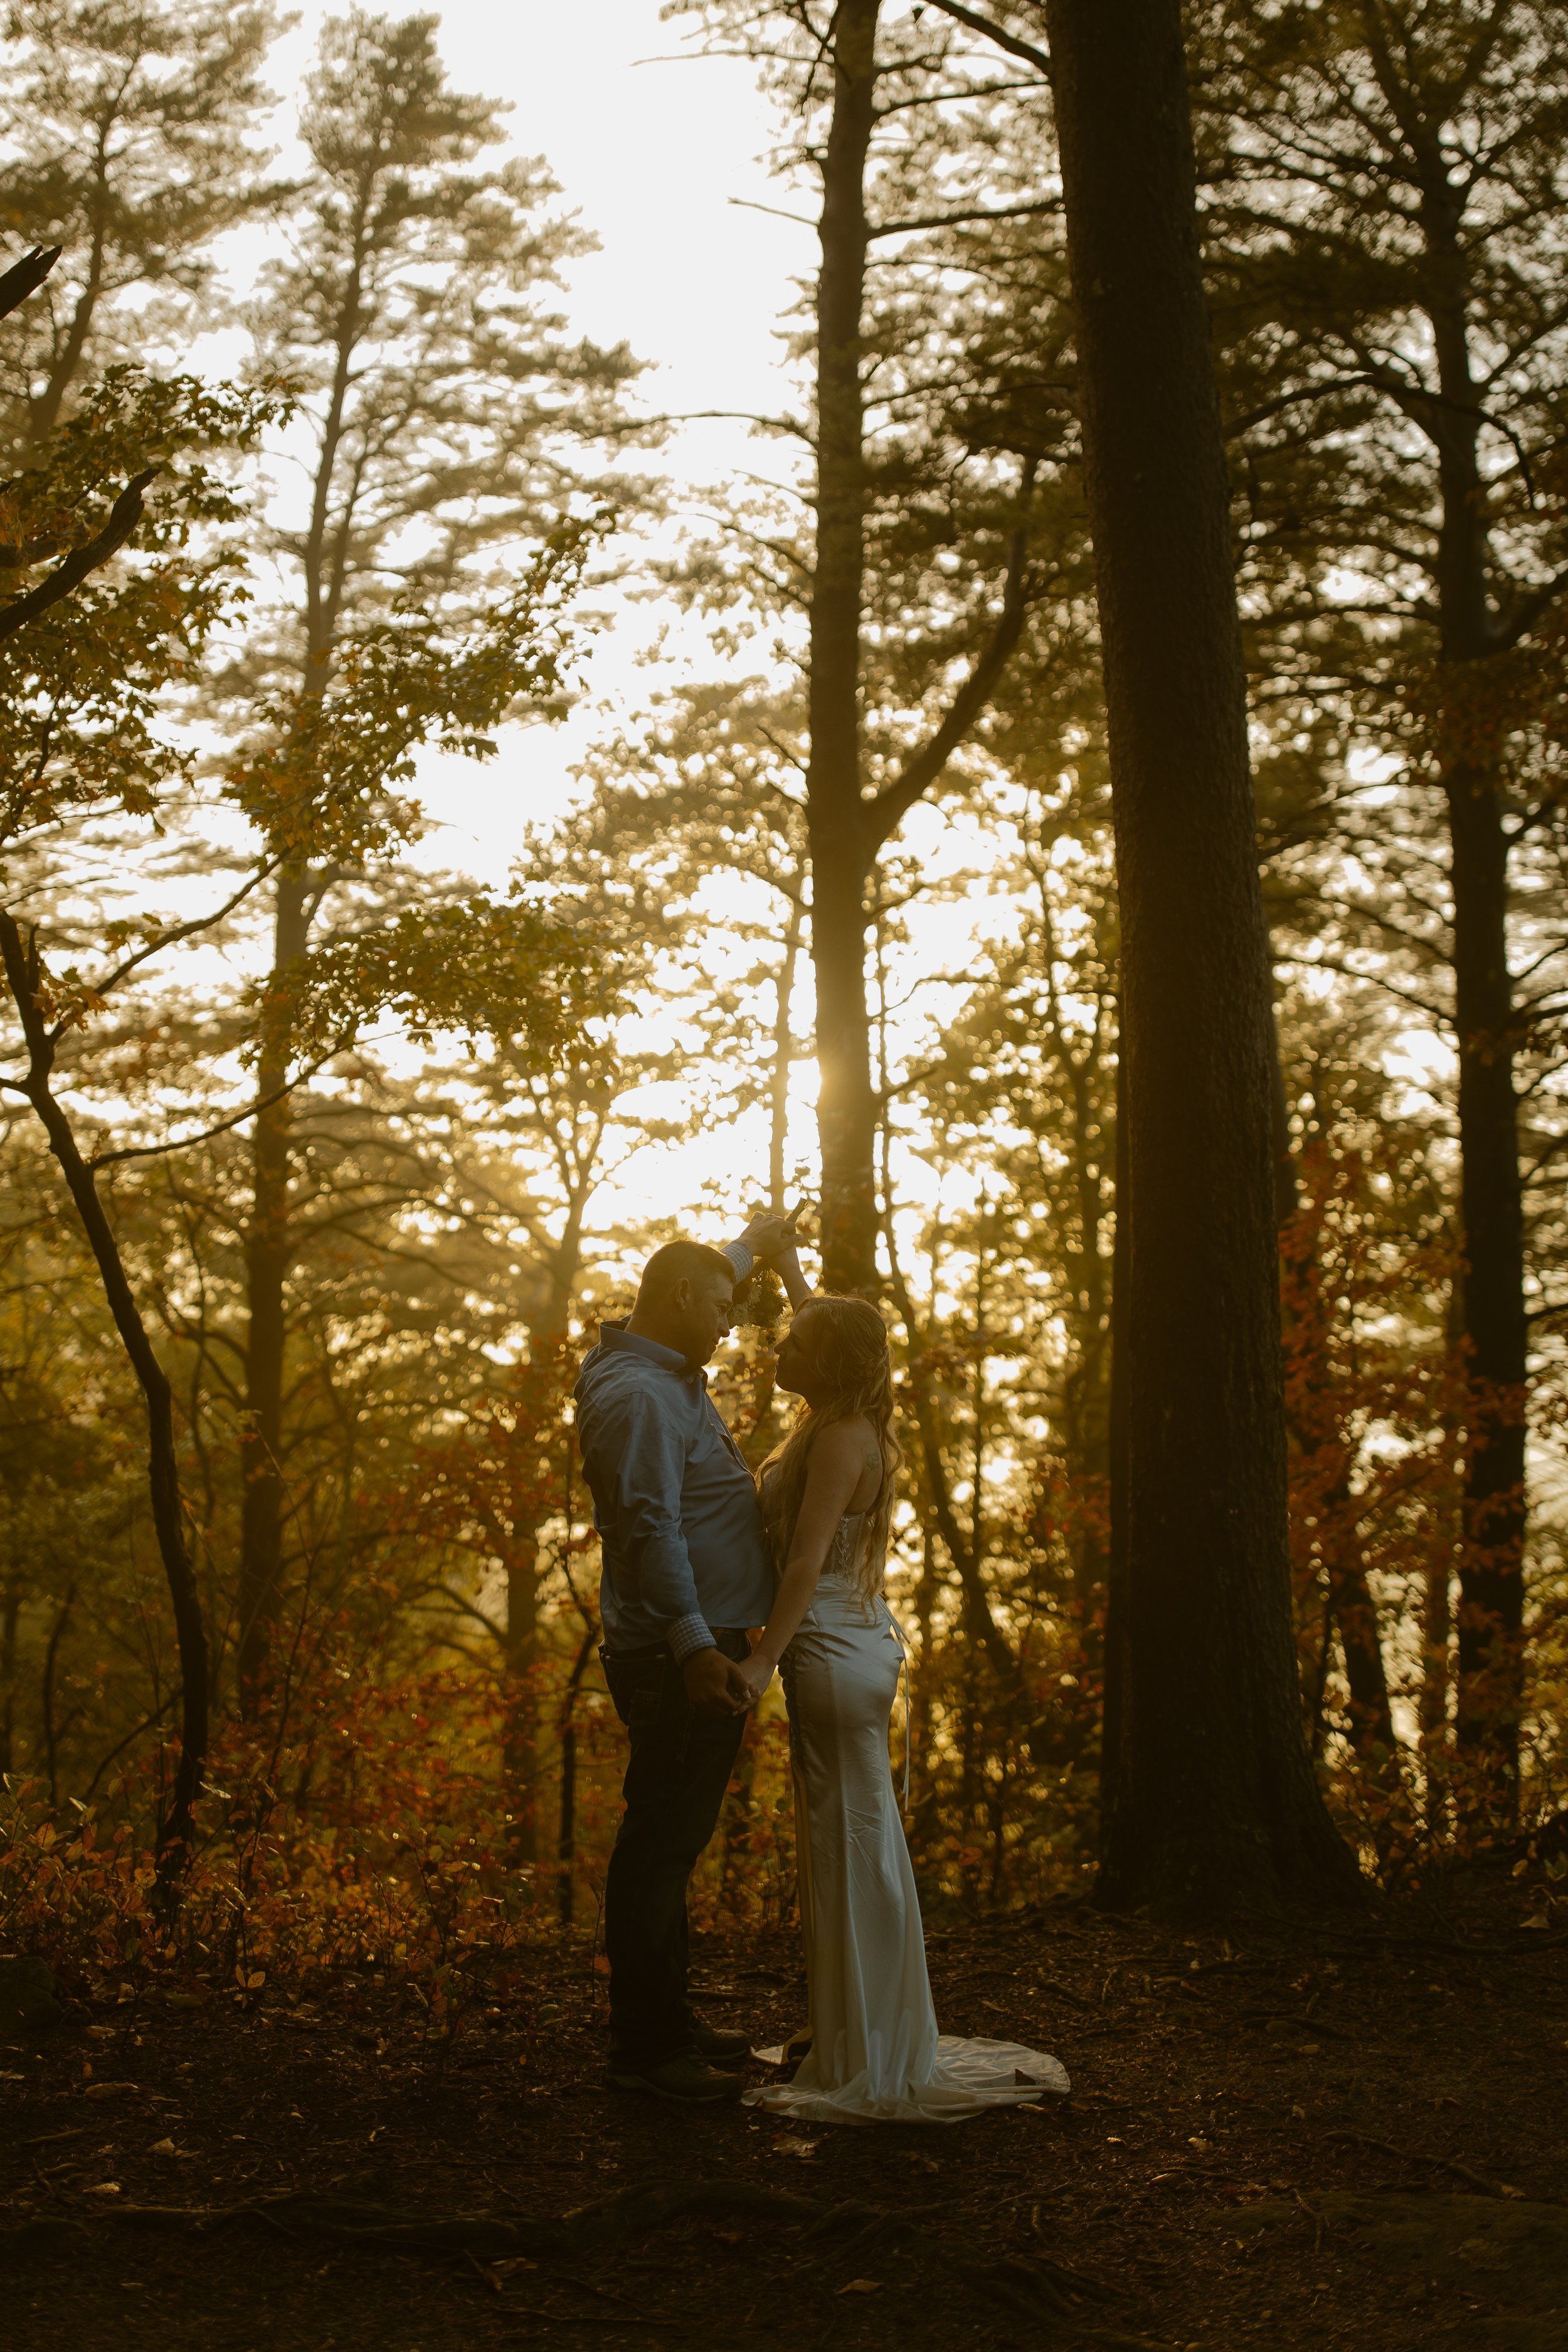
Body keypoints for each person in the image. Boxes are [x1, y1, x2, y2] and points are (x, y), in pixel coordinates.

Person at [736, 1227, 1069, 2124]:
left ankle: (871, 2050)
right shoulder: (848, 1416)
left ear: (830, 1365)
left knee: (851, 1846)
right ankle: (858, 2029)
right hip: (847, 1645)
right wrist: (789, 1268)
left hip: (829, 1653)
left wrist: (761, 1657)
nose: (780, 1346)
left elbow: (803, 1564)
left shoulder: (841, 1440)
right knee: (852, 1842)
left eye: (797, 1343)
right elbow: (831, 1328)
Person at [575, 1213, 792, 2106]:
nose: (731, 1322)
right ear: (679, 1298)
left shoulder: (655, 1364)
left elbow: (700, 1278)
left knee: (674, 1840)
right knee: (660, 1846)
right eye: (721, 1307)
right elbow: (648, 1530)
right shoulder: (640, 1398)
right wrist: (696, 1644)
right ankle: (648, 2050)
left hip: (693, 1645)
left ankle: (667, 2016)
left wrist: (750, 1245)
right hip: (679, 1656)